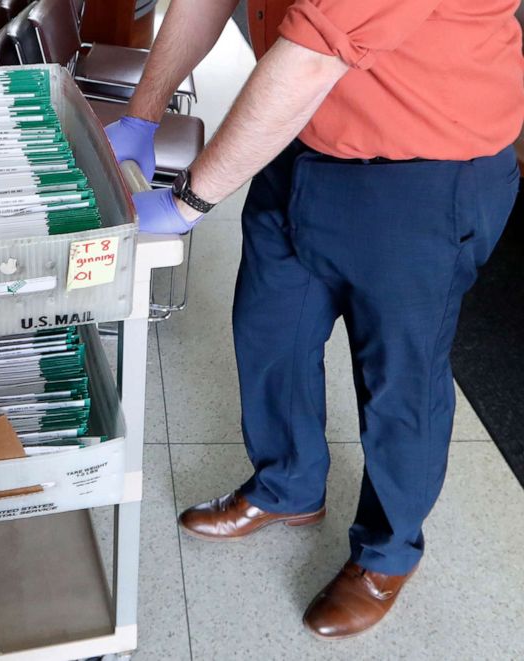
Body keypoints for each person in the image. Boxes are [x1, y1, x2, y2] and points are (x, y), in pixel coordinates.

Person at [104, 0, 523, 639]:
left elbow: (308, 58)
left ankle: (387, 554)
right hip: (297, 138)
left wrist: (189, 200)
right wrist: (142, 112)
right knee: (270, 328)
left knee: (398, 379)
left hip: (422, 171)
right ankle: (288, 484)